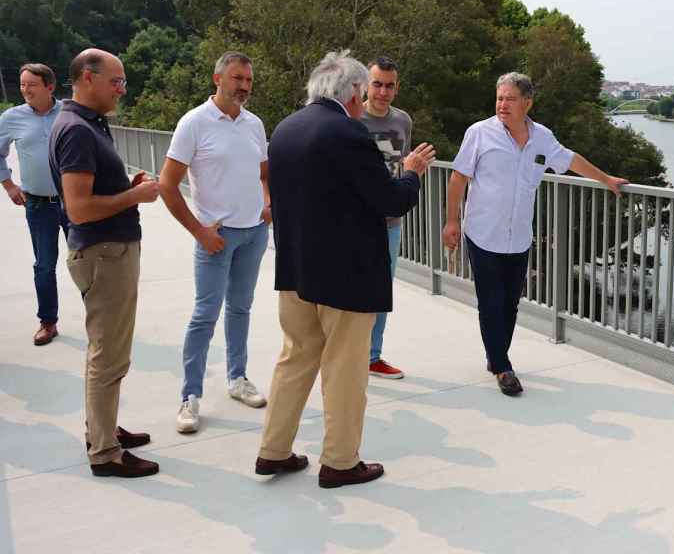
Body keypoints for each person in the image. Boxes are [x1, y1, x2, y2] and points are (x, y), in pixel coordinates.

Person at [255, 50, 433, 488]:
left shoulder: (285, 129)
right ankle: (339, 461)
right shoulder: (349, 134)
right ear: (355, 91)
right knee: (345, 370)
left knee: (294, 360)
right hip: (345, 276)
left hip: (295, 271)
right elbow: (391, 200)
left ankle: (273, 451)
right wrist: (411, 172)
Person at [443, 72, 628, 396]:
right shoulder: (480, 133)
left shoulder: (542, 137)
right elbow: (459, 178)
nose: (502, 104)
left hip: (519, 237)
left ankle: (496, 356)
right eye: (499, 98)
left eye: (510, 99)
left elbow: (570, 160)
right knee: (491, 302)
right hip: (483, 232)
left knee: (511, 303)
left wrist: (606, 180)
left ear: (527, 103)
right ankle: (502, 366)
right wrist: (451, 222)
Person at [49, 48, 160, 477]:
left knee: (110, 350)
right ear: (87, 78)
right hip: (104, 254)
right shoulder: (77, 130)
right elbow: (79, 208)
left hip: (108, 251)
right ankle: (105, 452)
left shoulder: (88, 123)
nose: (122, 89)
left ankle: (105, 428)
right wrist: (133, 196)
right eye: (116, 81)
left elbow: (92, 191)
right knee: (108, 354)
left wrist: (124, 186)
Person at [159, 52, 271, 434]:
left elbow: (263, 172)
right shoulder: (194, 123)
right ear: (217, 78)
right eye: (237, 78)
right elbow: (167, 185)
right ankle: (190, 396)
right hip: (216, 237)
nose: (243, 86)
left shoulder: (254, 124)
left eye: (248, 80)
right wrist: (199, 230)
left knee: (241, 309)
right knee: (205, 315)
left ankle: (237, 378)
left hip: (255, 233)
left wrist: (268, 203)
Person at [360, 56, 433, 379]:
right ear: (365, 84)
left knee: (381, 291)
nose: (383, 92)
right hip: (355, 222)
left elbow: (403, 164)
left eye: (390, 86)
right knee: (348, 290)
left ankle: (372, 356)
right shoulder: (351, 120)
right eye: (377, 84)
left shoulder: (402, 121)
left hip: (390, 223)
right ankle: (344, 356)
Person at [0, 63, 68, 345]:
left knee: (89, 263)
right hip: (38, 204)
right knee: (44, 266)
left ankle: (100, 322)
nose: (25, 89)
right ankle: (48, 323)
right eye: (23, 84)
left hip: (75, 202)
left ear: (49, 87)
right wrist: (9, 185)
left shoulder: (70, 111)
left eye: (32, 84)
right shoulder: (11, 118)